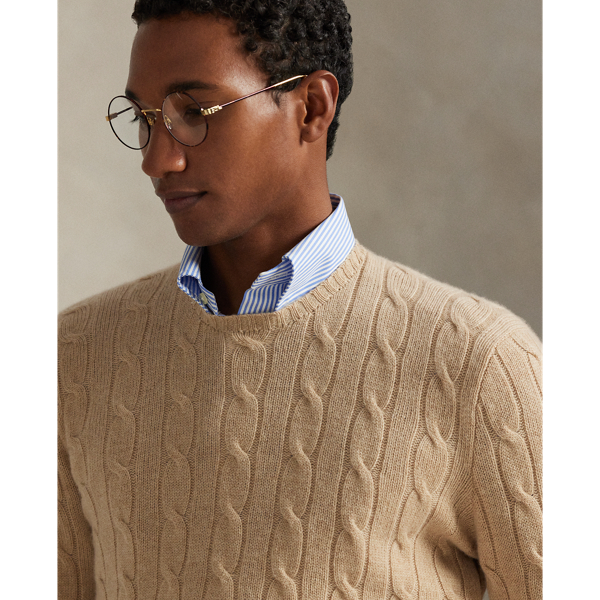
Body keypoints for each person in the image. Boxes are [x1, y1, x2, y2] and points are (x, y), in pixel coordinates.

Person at [58, 1, 542, 599]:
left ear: (311, 107)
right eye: (145, 118)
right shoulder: (75, 358)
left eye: (195, 112)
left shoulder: (480, 362)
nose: (158, 159)